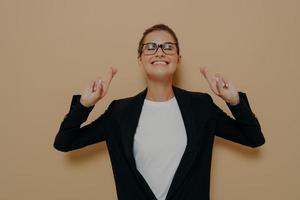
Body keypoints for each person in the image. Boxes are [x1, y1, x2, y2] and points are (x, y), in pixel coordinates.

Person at [53, 24, 265, 200]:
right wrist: (85, 104)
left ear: (178, 58)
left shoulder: (200, 106)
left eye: (168, 47)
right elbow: (65, 142)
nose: (160, 52)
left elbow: (253, 138)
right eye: (151, 47)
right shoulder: (120, 112)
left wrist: (234, 101)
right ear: (140, 58)